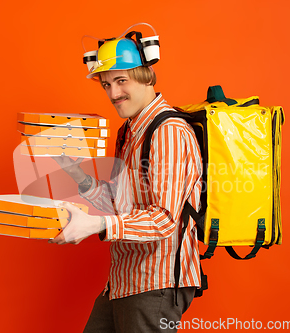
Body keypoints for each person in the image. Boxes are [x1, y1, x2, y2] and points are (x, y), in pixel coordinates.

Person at [49, 36, 203, 332]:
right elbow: (122, 205)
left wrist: (96, 226)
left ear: (146, 77)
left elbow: (164, 219)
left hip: (154, 284)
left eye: (121, 81)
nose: (113, 93)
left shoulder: (168, 132)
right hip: (123, 280)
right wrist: (76, 174)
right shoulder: (130, 131)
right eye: (106, 84)